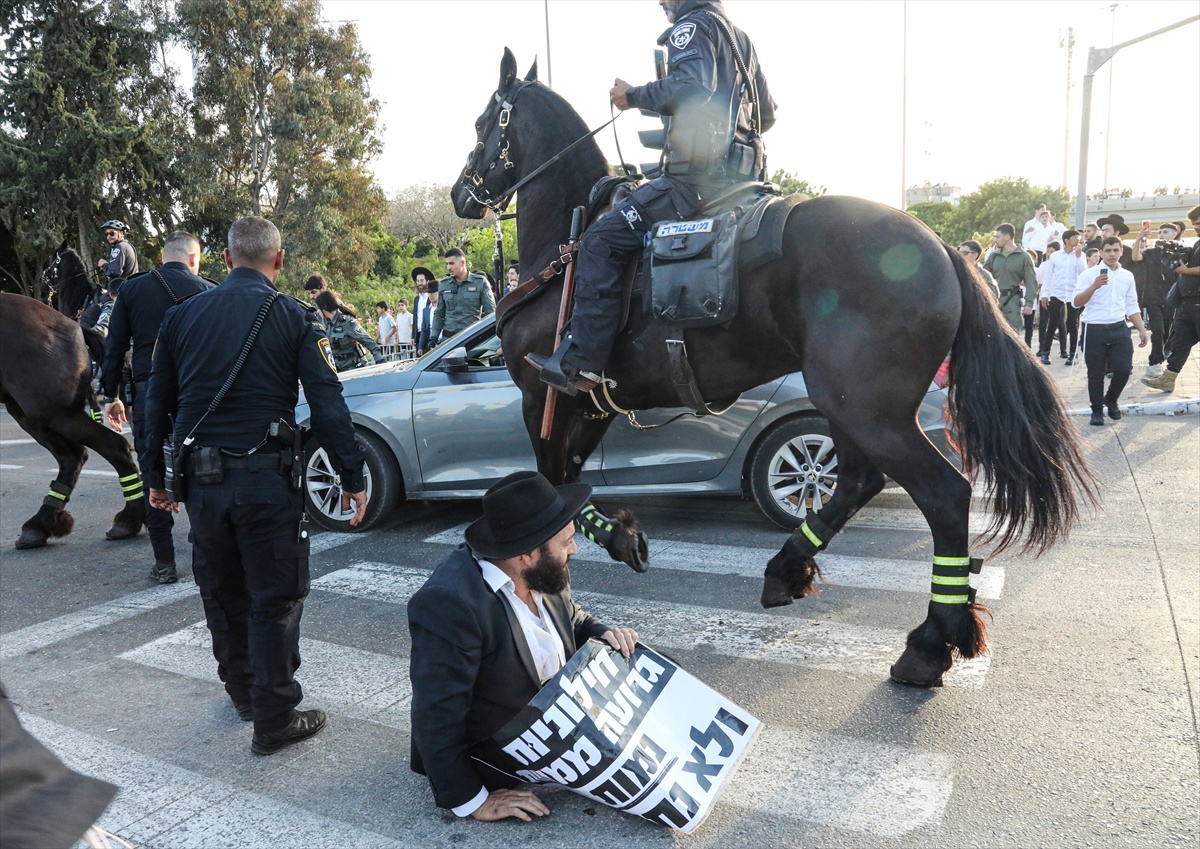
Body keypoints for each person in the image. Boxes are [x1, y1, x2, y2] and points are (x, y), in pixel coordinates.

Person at [140, 216, 367, 755]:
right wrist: (352, 474)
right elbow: (328, 402)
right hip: (268, 481)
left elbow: (157, 406)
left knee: (222, 590)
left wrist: (155, 478)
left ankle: (244, 694)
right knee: (276, 596)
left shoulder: (180, 317)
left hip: (201, 486)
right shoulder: (294, 316)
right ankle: (273, 716)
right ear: (280, 261)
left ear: (224, 260)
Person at [527, 0, 776, 395]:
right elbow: (768, 115)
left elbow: (693, 86)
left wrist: (634, 95)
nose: (660, 1)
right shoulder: (739, 38)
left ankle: (586, 364)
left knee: (600, 241)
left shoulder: (691, 28)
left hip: (694, 182)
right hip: (742, 181)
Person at [408, 471, 639, 822]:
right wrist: (472, 801)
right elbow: (436, 713)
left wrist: (604, 633)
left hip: (554, 722)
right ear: (528, 555)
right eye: (567, 542)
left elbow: (571, 618)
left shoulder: (544, 570)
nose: (573, 550)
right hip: (495, 748)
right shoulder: (450, 603)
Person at [101, 231, 215, 583]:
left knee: (152, 468)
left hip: (150, 392)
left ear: (163, 257)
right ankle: (205, 553)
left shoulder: (133, 289)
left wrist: (111, 395)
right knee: (203, 469)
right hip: (198, 395)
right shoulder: (208, 290)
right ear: (193, 259)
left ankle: (165, 562)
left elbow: (115, 346)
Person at [1073, 236, 1148, 425]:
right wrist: (1094, 286)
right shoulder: (1089, 275)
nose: (1112, 254)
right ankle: (1096, 411)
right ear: (1101, 253)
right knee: (1096, 374)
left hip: (1119, 328)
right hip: (1094, 328)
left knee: (1124, 369)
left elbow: (1132, 305)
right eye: (1108, 250)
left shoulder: (1127, 276)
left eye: (1115, 250)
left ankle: (1111, 399)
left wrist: (1141, 329)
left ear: (1121, 252)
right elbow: (1076, 302)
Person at [1144, 204, 1200, 393]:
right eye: (1195, 225)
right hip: (1187, 301)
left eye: (1199, 223)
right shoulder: (1198, 243)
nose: (1197, 228)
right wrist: (1178, 251)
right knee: (1180, 341)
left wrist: (1186, 270)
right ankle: (1168, 379)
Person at [1131, 221, 1181, 379]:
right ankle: (1155, 363)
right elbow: (1135, 256)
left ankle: (1161, 356)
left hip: (1171, 299)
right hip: (1153, 298)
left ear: (1175, 234)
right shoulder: (1152, 253)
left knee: (1166, 331)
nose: (1162, 235)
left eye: (1165, 232)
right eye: (1160, 232)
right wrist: (1139, 238)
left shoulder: (1179, 253)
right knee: (1158, 331)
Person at [1038, 229, 1086, 366]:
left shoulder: (1080, 255)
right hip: (1056, 293)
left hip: (1073, 294)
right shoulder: (1056, 256)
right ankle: (1045, 353)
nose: (1078, 240)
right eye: (1075, 237)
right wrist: (1044, 295)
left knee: (1073, 323)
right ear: (1067, 240)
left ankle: (1073, 354)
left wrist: (1077, 257)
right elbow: (1048, 277)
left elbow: (1083, 273)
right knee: (1052, 323)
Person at [432, 248, 496, 343]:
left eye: (452, 263)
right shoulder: (444, 284)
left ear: (462, 262)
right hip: (449, 338)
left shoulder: (480, 282)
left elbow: (491, 312)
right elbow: (439, 313)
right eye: (447, 264)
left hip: (471, 337)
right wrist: (434, 336)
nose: (448, 267)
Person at [985, 223, 1038, 334]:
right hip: (993, 300)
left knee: (1013, 333)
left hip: (1012, 301)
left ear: (1007, 237)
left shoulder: (1024, 257)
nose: (995, 240)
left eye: (997, 236)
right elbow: (983, 276)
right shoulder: (994, 256)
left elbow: (1031, 281)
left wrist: (1029, 303)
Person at [315, 291, 383, 372]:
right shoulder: (325, 323)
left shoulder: (347, 322)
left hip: (353, 368)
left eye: (319, 308)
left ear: (325, 307)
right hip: (337, 368)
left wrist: (380, 361)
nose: (318, 312)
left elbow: (368, 341)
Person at [97, 219, 138, 284]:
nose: (108, 237)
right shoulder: (127, 246)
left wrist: (104, 264)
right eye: (106, 234)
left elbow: (115, 271)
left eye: (111, 233)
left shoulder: (120, 247)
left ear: (121, 233)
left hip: (121, 290)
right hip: (129, 287)